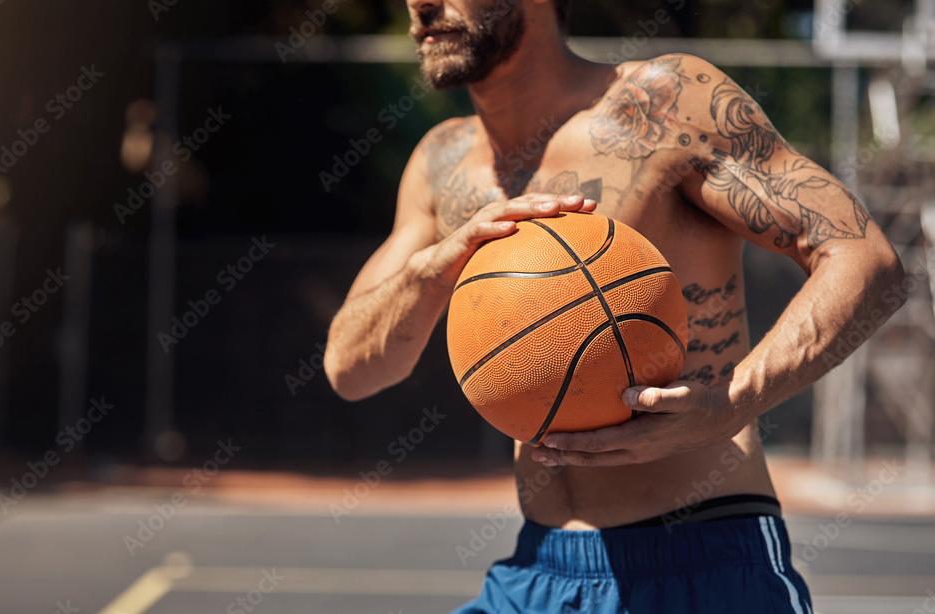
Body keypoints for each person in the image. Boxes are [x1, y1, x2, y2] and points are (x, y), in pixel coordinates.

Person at [323, 0, 905, 611]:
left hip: (702, 561)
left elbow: (867, 259)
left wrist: (732, 403)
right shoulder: (441, 162)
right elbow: (349, 369)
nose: (421, 2)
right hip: (536, 571)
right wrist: (429, 272)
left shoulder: (665, 105)